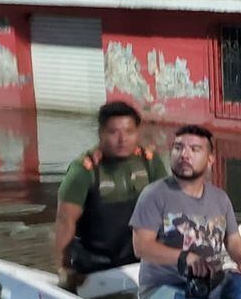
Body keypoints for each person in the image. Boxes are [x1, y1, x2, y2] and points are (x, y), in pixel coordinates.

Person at [129, 125, 241, 299]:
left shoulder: (220, 198)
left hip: (213, 281)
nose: (185, 155)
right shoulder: (154, 195)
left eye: (195, 149)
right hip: (162, 289)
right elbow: (141, 247)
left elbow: (233, 241)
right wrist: (186, 258)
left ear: (210, 159)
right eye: (178, 148)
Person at [55, 101, 166, 286]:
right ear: (100, 133)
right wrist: (63, 268)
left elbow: (167, 208)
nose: (122, 139)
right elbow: (65, 222)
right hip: (95, 266)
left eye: (129, 132)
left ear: (138, 132)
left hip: (138, 262)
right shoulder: (83, 170)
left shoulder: (150, 162)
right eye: (113, 132)